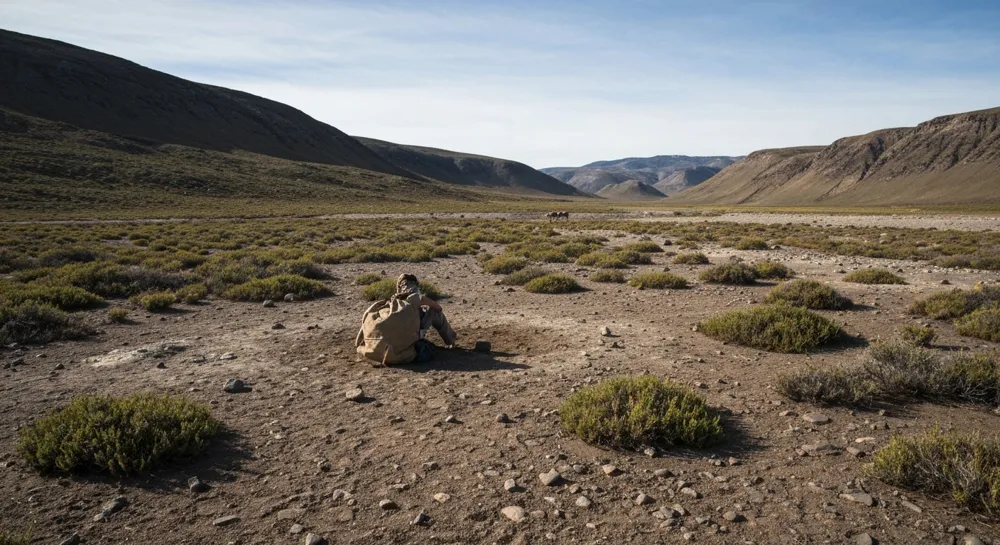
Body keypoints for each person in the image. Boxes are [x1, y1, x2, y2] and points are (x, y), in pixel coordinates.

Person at [395, 273, 457, 347]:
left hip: (395, 337)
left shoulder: (393, 300)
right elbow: (438, 308)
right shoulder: (414, 297)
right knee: (434, 312)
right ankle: (451, 339)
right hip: (412, 334)